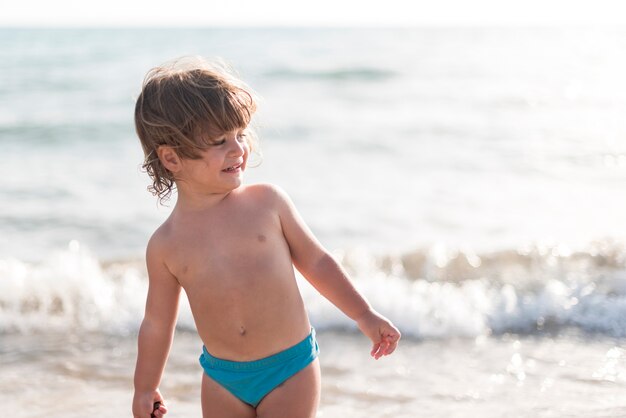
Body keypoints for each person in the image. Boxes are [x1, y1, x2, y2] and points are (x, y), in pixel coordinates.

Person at [131, 56, 401, 418]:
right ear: (172, 159)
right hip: (222, 378)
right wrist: (145, 387)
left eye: (240, 135)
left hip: (289, 370)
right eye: (219, 141)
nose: (238, 149)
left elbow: (317, 261)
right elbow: (157, 322)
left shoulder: (267, 204)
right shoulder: (166, 245)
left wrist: (364, 314)